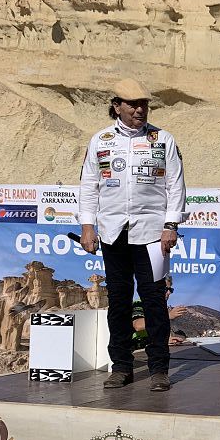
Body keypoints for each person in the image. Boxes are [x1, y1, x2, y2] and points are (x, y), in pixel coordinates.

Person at [78, 77, 186, 392]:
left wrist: (171, 225)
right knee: (120, 301)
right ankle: (121, 366)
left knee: (154, 300)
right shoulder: (101, 140)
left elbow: (176, 185)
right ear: (117, 106)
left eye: (143, 104)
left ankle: (159, 370)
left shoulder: (163, 139)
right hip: (113, 233)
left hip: (153, 233)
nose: (139, 109)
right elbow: (89, 184)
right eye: (132, 104)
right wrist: (87, 225)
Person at [132, 277, 188, 349]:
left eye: (170, 290)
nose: (169, 293)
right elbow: (138, 325)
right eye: (165, 289)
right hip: (135, 352)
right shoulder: (140, 303)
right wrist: (167, 316)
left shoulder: (161, 309)